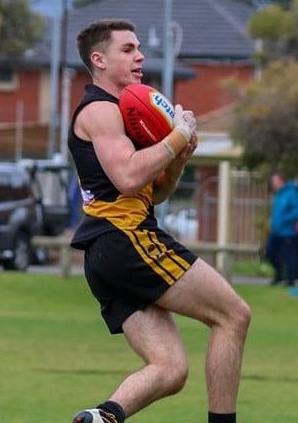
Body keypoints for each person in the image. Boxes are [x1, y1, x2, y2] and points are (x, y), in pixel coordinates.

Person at [68, 19, 251, 423]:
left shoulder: (122, 114)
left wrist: (179, 156)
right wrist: (176, 136)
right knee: (233, 315)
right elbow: (129, 176)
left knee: (169, 369)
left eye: (138, 49)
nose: (140, 56)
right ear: (98, 60)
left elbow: (153, 193)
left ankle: (101, 417)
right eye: (128, 49)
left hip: (106, 253)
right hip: (126, 240)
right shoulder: (101, 109)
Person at [265, 172, 298, 286]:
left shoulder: (291, 193)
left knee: (289, 256)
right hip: (276, 231)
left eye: (275, 181)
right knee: (270, 252)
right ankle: (279, 274)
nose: (273, 184)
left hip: (288, 232)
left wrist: (284, 220)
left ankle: (290, 280)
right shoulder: (278, 195)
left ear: (282, 181)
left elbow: (296, 211)